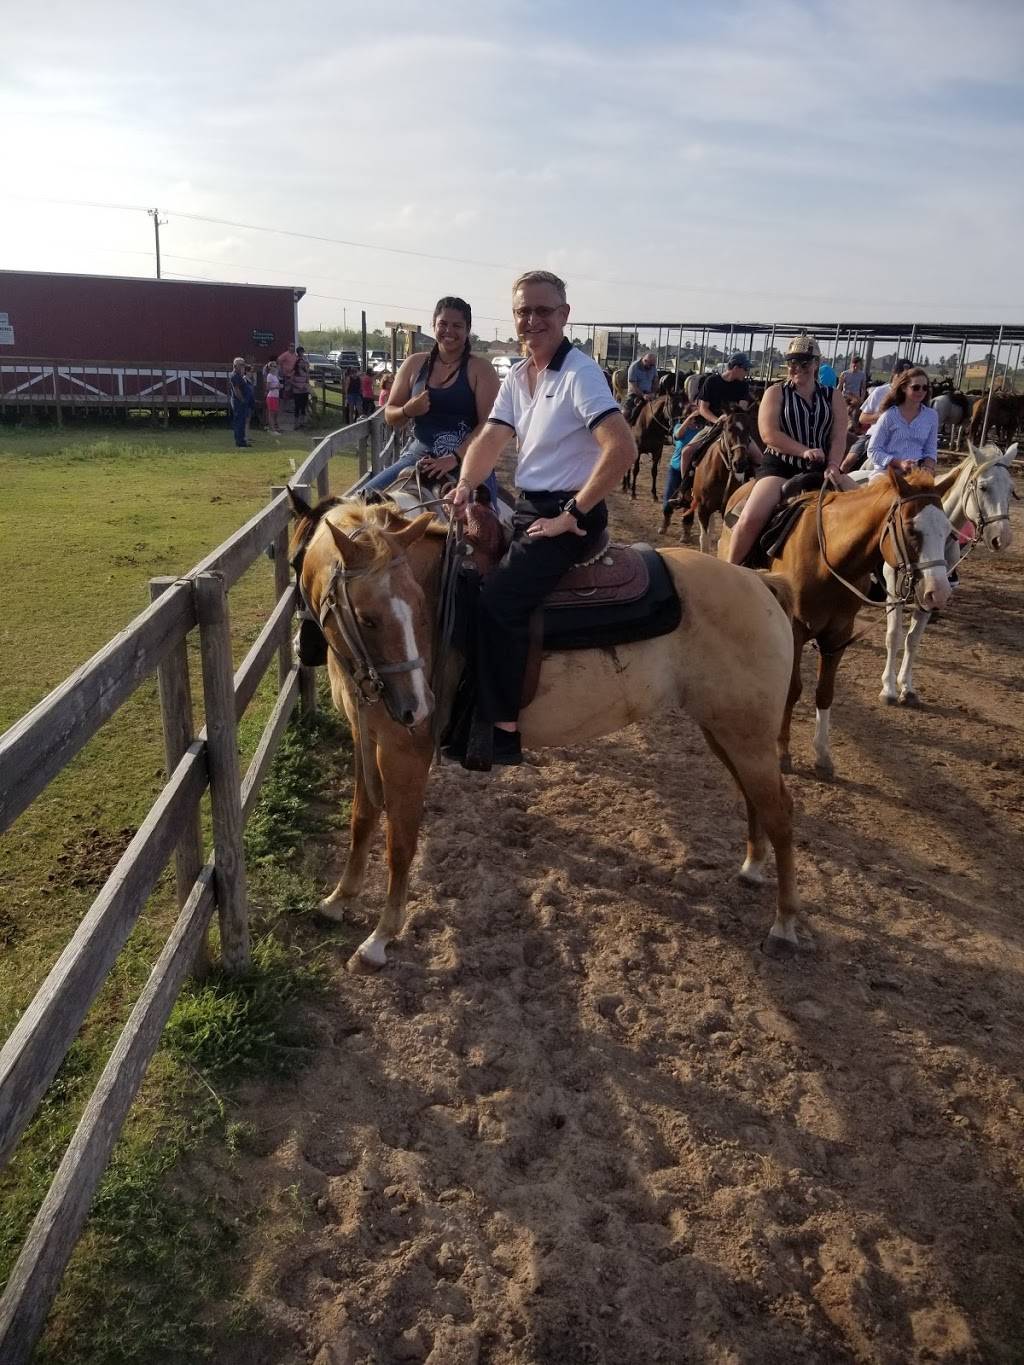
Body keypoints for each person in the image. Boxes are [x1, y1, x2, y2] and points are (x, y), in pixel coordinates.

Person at [444, 270, 635, 766]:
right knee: (459, 572)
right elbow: (490, 439)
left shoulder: (580, 374)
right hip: (531, 505)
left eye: (543, 311)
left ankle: (503, 728)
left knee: (499, 600)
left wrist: (573, 512)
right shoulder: (519, 375)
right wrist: (465, 484)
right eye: (523, 311)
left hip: (571, 513)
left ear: (564, 316)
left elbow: (622, 447)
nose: (532, 320)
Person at [725, 334, 852, 567]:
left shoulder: (833, 396)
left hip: (823, 467)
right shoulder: (776, 392)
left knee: (863, 507)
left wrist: (834, 464)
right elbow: (768, 434)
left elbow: (838, 435)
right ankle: (731, 571)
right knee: (751, 518)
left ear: (816, 364)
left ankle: (878, 577)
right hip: (780, 467)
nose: (797, 368)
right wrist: (803, 451)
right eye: (792, 363)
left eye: (804, 363)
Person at [363, 296, 500, 496]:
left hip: (469, 460)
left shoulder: (481, 369)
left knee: (484, 521)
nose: (449, 331)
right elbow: (390, 415)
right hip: (419, 457)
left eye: (457, 326)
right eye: (443, 324)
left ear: (467, 329)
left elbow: (489, 424)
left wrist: (455, 457)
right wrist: (408, 410)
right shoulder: (414, 364)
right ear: (433, 325)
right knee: (360, 499)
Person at [678, 353, 753, 487]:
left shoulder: (743, 386)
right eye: (746, 369)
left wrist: (731, 417)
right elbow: (702, 408)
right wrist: (717, 420)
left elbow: (742, 407)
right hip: (712, 426)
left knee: (760, 457)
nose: (747, 372)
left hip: (735, 429)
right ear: (736, 367)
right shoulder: (712, 381)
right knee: (686, 453)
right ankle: (685, 490)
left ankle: (752, 491)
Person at [841, 358, 914, 472]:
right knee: (847, 462)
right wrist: (883, 417)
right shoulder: (880, 391)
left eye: (908, 378)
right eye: (901, 376)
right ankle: (837, 484)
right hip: (873, 435)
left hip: (899, 439)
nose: (903, 380)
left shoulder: (912, 396)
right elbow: (863, 418)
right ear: (894, 374)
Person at [863, 368, 938, 478]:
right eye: (916, 387)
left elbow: (931, 450)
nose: (921, 391)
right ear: (904, 388)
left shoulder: (932, 416)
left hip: (918, 473)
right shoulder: (889, 415)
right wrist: (899, 463)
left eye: (925, 388)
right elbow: (873, 450)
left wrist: (928, 467)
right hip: (888, 472)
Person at [624, 351, 659, 422]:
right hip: (635, 394)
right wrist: (643, 395)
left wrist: (653, 393)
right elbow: (633, 385)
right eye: (651, 365)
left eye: (653, 365)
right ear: (645, 361)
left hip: (649, 394)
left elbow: (655, 382)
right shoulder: (634, 367)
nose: (652, 367)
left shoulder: (653, 367)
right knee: (626, 413)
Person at [228, 356, 252, 448]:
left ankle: (242, 440)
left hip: (242, 402)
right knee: (239, 422)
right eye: (241, 365)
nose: (243, 366)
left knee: (242, 422)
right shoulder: (234, 376)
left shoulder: (240, 375)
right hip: (239, 402)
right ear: (235, 365)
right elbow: (236, 390)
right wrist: (242, 400)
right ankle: (239, 442)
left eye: (243, 365)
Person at [291, 346, 311, 428]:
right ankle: (296, 423)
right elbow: (291, 381)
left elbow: (307, 381)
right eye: (301, 363)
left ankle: (302, 422)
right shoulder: (294, 372)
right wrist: (298, 386)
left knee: (303, 407)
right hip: (297, 391)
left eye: (303, 363)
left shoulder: (306, 373)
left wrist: (305, 387)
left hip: (304, 391)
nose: (302, 364)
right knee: (297, 407)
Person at [264, 360, 282, 435]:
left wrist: (279, 386)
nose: (276, 367)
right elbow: (268, 388)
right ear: (270, 367)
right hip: (271, 396)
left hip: (276, 396)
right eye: (274, 366)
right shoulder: (269, 376)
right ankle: (272, 429)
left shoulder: (275, 376)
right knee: (271, 413)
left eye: (276, 366)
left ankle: (274, 427)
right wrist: (276, 386)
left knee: (275, 413)